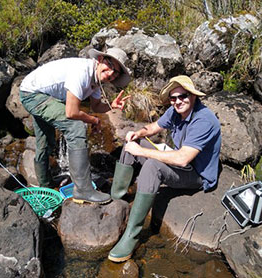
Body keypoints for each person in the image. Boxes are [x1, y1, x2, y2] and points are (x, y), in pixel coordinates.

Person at [107, 75, 221, 262]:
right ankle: (116, 200)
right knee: (133, 142)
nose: (178, 101)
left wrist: (142, 151)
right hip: (181, 162)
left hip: (197, 174)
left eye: (182, 96)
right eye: (173, 98)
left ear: (192, 95)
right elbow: (153, 127)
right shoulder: (175, 111)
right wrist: (138, 133)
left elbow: (183, 159)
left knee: (153, 166)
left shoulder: (204, 121)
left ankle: (131, 236)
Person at [19, 47, 132, 204]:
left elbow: (96, 107)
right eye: (110, 67)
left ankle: (46, 184)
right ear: (100, 60)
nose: (110, 75)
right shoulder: (82, 72)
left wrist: (112, 105)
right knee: (76, 126)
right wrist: (93, 120)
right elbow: (71, 112)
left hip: (42, 94)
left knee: (45, 140)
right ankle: (83, 190)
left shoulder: (96, 81)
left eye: (116, 74)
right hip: (33, 95)